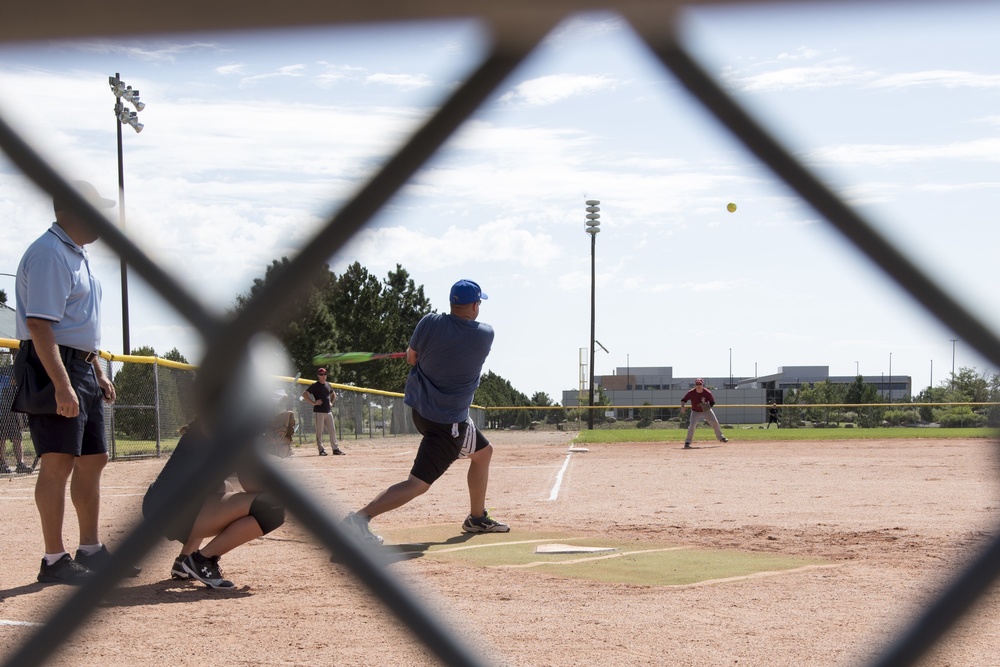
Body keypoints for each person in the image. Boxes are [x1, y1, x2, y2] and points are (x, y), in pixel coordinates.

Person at [14, 180, 140, 584]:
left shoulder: (76, 254)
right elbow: (39, 325)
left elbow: (79, 325)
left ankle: (90, 549)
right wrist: (63, 385)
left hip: (82, 366)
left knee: (93, 459)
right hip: (55, 366)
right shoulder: (51, 254)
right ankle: (54, 560)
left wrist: (98, 371)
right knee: (57, 463)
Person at [343, 279, 509, 544]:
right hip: (448, 421)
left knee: (483, 453)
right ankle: (358, 519)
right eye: (479, 302)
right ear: (475, 306)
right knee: (417, 484)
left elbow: (412, 357)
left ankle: (476, 518)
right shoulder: (484, 334)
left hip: (422, 412)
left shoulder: (429, 322)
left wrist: (421, 351)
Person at [142, 410, 290, 589]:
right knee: (273, 509)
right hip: (173, 510)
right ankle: (202, 560)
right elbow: (250, 485)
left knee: (224, 487)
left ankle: (184, 561)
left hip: (160, 504)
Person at [302, 368, 342, 456]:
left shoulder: (328, 385)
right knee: (319, 432)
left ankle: (335, 449)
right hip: (319, 412)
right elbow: (305, 394)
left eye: (324, 374)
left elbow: (333, 394)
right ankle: (321, 450)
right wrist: (313, 403)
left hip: (328, 411)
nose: (323, 376)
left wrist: (331, 402)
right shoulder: (315, 385)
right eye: (321, 374)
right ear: (318, 376)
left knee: (332, 430)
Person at [679, 379, 729, 448]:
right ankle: (687, 442)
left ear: (702, 385)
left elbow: (712, 402)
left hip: (706, 411)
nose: (698, 385)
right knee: (692, 426)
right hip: (695, 411)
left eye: (700, 384)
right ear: (695, 385)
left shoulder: (707, 392)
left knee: (715, 422)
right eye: (697, 384)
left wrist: (708, 407)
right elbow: (683, 400)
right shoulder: (691, 393)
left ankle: (721, 437)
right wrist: (682, 406)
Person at [1, 361, 32, 474]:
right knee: (1, 438)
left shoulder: (8, 376)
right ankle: (2, 464)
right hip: (1, 412)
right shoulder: (2, 378)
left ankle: (21, 463)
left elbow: (14, 383)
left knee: (17, 437)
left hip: (12, 411)